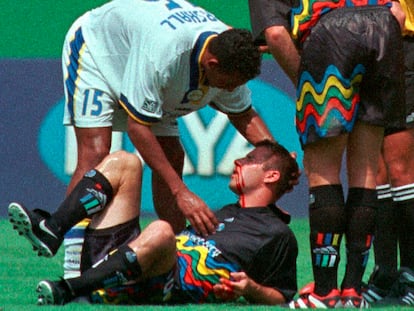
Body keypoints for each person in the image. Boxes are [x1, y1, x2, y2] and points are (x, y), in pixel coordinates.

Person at [62, 0, 275, 240]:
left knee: (172, 155)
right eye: (229, 84)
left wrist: (277, 157)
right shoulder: (163, 56)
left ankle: (177, 256)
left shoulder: (229, 53)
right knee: (96, 152)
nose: (231, 90)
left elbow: (243, 113)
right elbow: (138, 127)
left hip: (145, 52)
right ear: (211, 64)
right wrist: (181, 192)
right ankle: (68, 242)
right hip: (99, 50)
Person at [248, 0, 406, 308]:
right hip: (385, 29)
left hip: (332, 38)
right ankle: (353, 292)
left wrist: (306, 84)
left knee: (323, 172)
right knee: (366, 171)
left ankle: (324, 292)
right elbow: (398, 12)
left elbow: (277, 36)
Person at [8, 140, 300, 305]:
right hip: (129, 266)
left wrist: (251, 289)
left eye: (249, 159)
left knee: (161, 230)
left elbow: (283, 296)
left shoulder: (277, 234)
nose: (238, 161)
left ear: (270, 176)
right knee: (125, 161)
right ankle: (52, 230)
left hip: (164, 285)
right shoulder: (226, 211)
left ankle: (70, 288)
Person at [361, 0, 414, 306]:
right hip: (363, 44)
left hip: (403, 45)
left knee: (401, 169)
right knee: (376, 169)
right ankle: (386, 271)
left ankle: (411, 270)